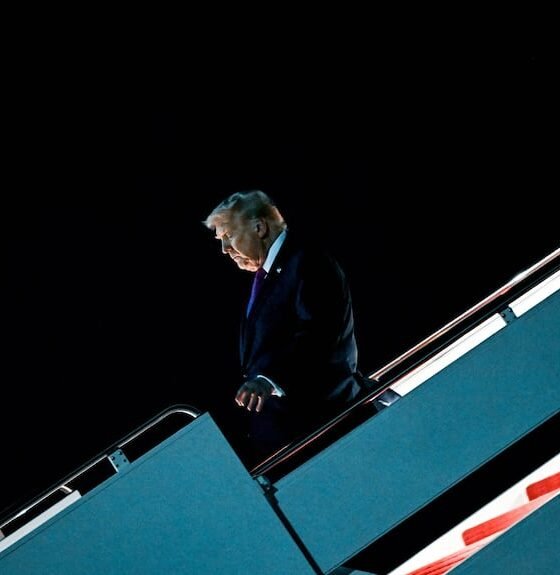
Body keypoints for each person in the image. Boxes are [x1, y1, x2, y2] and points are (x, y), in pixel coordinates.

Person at [203, 190, 396, 465]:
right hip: (293, 434)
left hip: (323, 429)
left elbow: (320, 335)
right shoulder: (271, 274)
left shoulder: (307, 262)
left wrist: (268, 379)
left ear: (259, 227)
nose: (224, 249)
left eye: (228, 236)